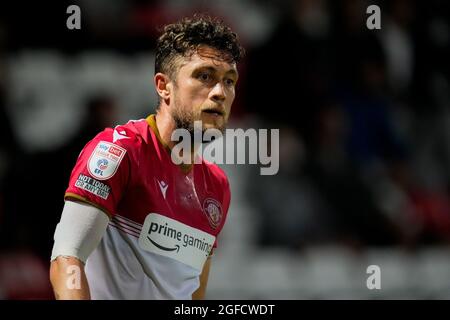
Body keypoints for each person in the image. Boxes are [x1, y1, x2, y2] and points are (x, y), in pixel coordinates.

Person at [49, 14, 244, 300]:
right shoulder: (118, 152)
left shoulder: (217, 185)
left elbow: (192, 295)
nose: (220, 93)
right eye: (204, 76)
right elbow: (67, 257)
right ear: (164, 86)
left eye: (229, 81)